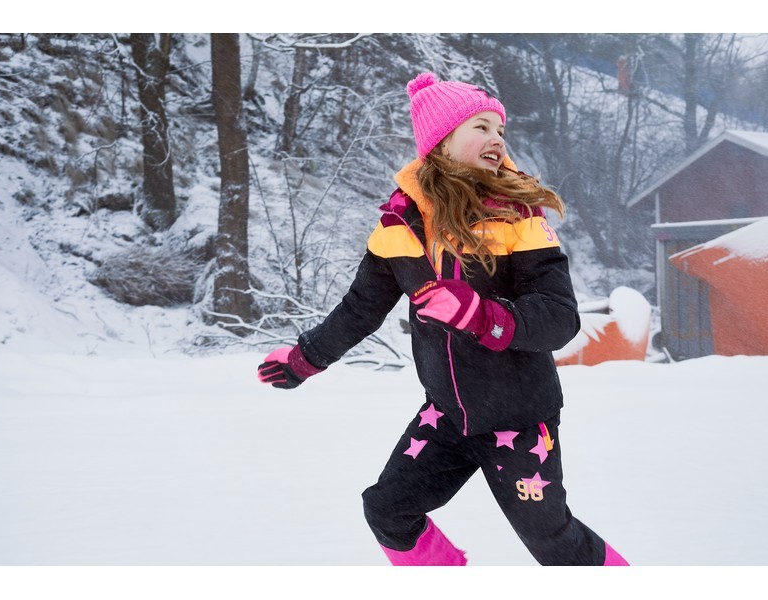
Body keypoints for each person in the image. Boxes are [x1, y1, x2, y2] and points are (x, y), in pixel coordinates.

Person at [258, 72, 629, 567]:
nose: (497, 138)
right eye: (482, 126)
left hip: (517, 419)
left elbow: (560, 318)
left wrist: (481, 315)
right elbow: (361, 308)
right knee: (387, 509)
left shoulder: (521, 220)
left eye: (501, 128)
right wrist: (305, 358)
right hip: (449, 414)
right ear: (442, 141)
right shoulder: (399, 228)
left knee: (553, 541)